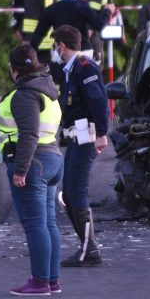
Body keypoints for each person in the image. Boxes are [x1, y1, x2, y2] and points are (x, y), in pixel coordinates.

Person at [0, 44, 63, 296]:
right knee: (48, 223)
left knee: (35, 225)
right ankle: (51, 280)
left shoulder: (25, 94)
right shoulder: (46, 86)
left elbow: (29, 134)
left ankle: (40, 282)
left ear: (13, 69)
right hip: (51, 158)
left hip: (33, 163)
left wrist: (20, 170)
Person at [51, 25, 110, 267]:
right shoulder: (70, 70)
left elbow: (98, 99)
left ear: (61, 46)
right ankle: (87, 246)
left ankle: (90, 249)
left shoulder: (84, 66)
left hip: (86, 137)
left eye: (55, 46)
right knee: (69, 194)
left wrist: (102, 133)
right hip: (76, 137)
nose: (54, 51)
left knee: (76, 192)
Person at [31, 0, 114, 64]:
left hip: (60, 54)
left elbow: (38, 34)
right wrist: (107, 11)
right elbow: (100, 25)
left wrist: (30, 54)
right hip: (82, 53)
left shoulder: (51, 9)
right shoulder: (83, 6)